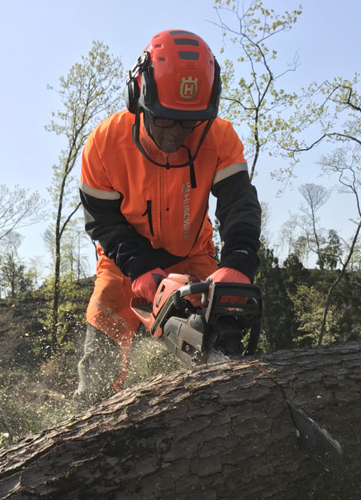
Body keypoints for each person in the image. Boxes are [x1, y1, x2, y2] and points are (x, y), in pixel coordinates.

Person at [74, 29, 262, 405]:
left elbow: (238, 203)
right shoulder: (103, 146)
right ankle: (86, 420)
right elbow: (104, 223)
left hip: (193, 250)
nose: (177, 134)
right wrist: (139, 268)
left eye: (188, 122)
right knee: (101, 354)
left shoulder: (219, 137)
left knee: (221, 335)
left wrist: (239, 260)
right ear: (139, 98)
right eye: (166, 120)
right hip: (124, 261)